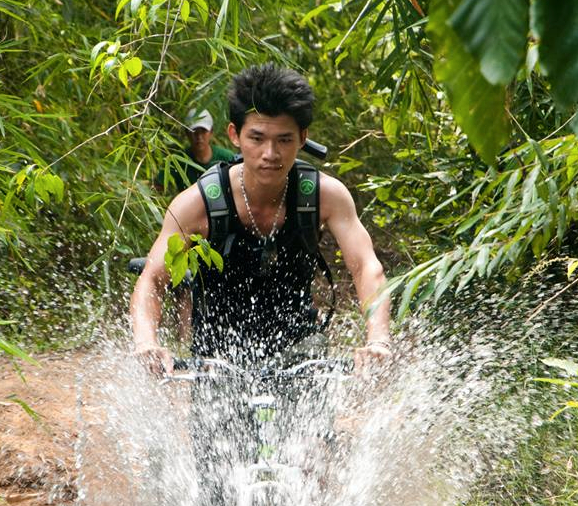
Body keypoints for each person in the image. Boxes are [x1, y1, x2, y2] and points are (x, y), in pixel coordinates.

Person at [131, 63, 391, 373]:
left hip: (299, 347)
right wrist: (146, 341)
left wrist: (378, 339)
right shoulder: (198, 204)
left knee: (312, 417)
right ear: (234, 135)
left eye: (284, 139)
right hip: (217, 353)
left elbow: (365, 267)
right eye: (257, 138)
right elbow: (153, 277)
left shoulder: (325, 196)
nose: (270, 153)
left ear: (302, 137)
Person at [157, 108, 236, 191]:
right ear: (187, 133)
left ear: (211, 132)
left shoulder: (227, 158)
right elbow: (157, 186)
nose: (199, 137)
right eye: (194, 131)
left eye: (203, 131)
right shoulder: (177, 161)